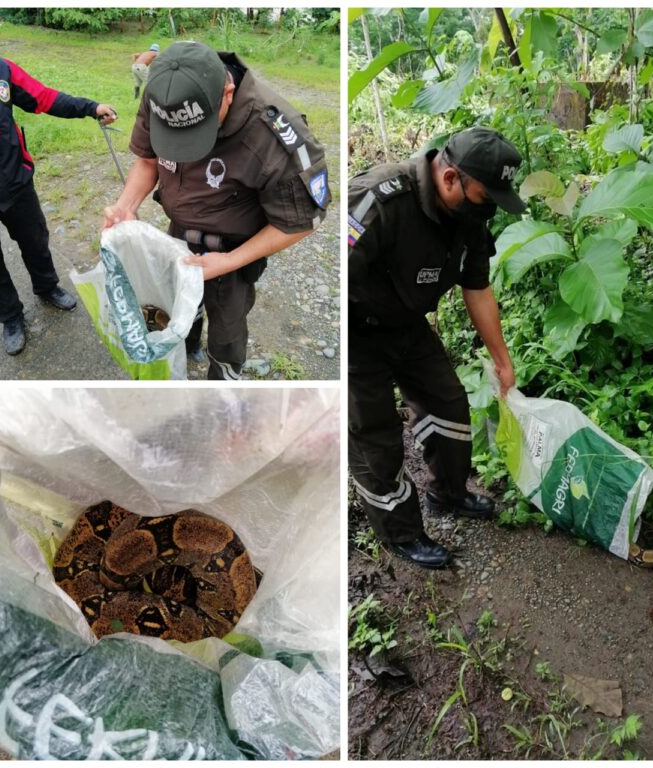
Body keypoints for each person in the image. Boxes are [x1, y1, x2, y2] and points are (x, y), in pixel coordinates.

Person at [348, 127, 526, 568]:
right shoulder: (379, 201)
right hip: (355, 333)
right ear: (450, 179)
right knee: (375, 438)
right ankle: (402, 533)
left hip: (406, 324)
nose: (488, 210)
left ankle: (448, 492)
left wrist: (503, 363)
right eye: (486, 197)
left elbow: (478, 287)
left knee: (448, 403)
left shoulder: (470, 216)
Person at [103, 41, 331, 380]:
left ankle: (222, 384)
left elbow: (299, 222)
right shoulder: (165, 93)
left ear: (227, 92)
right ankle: (187, 343)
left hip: (232, 252)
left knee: (227, 331)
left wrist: (230, 261)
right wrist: (126, 205)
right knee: (177, 303)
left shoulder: (275, 133)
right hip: (178, 236)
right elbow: (148, 160)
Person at [0, 52, 117, 356]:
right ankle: (10, 317)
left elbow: (43, 97)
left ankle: (47, 287)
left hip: (15, 182)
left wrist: (91, 107)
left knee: (36, 240)